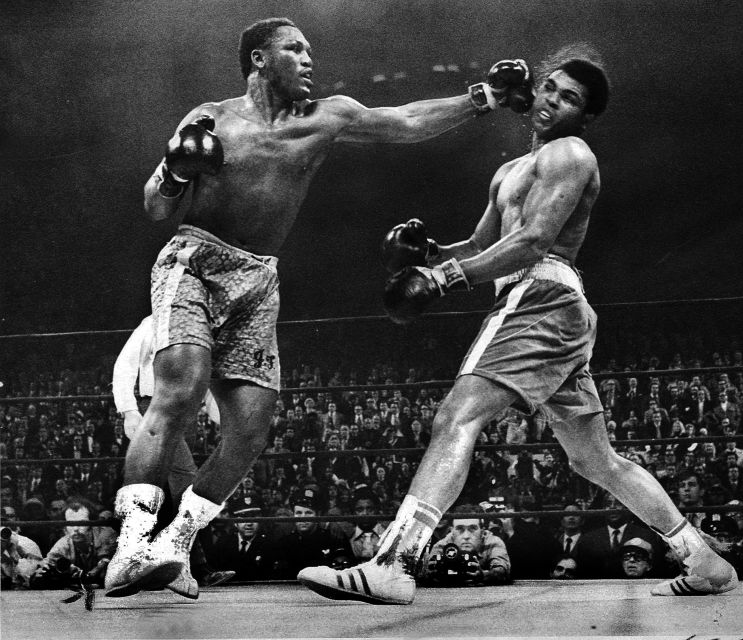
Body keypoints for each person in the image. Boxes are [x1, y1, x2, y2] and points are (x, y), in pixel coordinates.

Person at [106, 16, 535, 597]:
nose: (309, 59)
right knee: (180, 390)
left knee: (251, 430)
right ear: (260, 59)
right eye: (295, 49)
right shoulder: (211, 117)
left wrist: (483, 97)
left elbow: (407, 121)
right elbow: (157, 208)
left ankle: (175, 544)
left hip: (259, 279)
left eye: (309, 50)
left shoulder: (326, 117)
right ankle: (131, 545)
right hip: (196, 261)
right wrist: (174, 170)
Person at [298, 43, 737, 604]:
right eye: (550, 86)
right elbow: (482, 245)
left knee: (457, 416)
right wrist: (428, 254)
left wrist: (444, 279)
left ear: (586, 115)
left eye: (569, 98)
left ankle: (395, 562)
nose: (552, 100)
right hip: (547, 307)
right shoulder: (509, 170)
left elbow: (532, 241)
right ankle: (704, 560)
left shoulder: (571, 154)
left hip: (540, 295)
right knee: (595, 460)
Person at [111, 315, 234, 598]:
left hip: (186, 413)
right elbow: (125, 364)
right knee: (186, 483)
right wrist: (129, 410)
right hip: (157, 408)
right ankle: (195, 568)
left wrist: (223, 419)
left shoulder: (207, 329)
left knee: (168, 490)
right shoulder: (154, 322)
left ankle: (151, 567)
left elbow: (210, 379)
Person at [421, 504, 510, 587]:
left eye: (473, 528)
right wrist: (429, 573)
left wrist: (483, 575)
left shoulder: (493, 542)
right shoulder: (442, 545)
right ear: (452, 531)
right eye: (460, 529)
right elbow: (425, 573)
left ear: (482, 531)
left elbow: (503, 571)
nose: (466, 536)